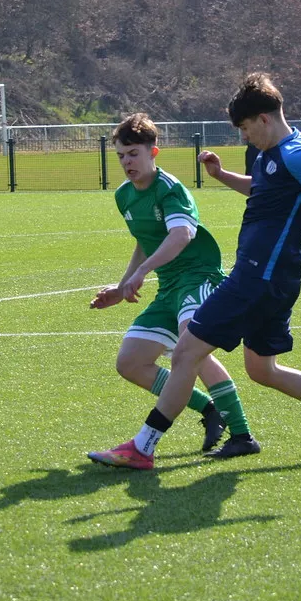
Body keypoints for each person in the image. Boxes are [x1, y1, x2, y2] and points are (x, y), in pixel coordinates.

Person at [88, 73, 301, 468]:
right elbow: (263, 187)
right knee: (262, 369)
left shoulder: (298, 155)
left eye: (244, 128)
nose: (243, 137)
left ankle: (143, 446)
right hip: (274, 277)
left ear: (264, 119)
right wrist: (222, 176)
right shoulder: (267, 153)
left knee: (186, 352)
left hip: (259, 276)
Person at [87, 112, 254, 468]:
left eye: (133, 153)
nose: (127, 162)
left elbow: (182, 235)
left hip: (199, 276)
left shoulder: (170, 189)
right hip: (169, 288)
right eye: (120, 156)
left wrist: (142, 272)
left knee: (192, 352)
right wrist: (122, 286)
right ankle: (209, 408)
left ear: (153, 152)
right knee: (130, 362)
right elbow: (145, 240)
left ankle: (241, 435)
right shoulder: (124, 196)